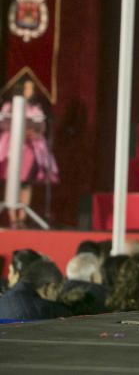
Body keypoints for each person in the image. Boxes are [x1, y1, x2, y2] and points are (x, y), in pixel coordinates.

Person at [0, 77, 59, 228]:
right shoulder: (9, 106)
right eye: (27, 88)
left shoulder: (35, 108)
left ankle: (22, 216)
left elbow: (41, 126)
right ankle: (12, 217)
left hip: (28, 149)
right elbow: (4, 123)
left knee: (26, 182)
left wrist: (34, 131)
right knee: (12, 181)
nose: (30, 92)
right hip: (13, 148)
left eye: (32, 89)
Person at [0, 257, 72, 321]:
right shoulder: (47, 311)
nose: (57, 298)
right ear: (47, 289)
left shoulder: (4, 299)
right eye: (57, 291)